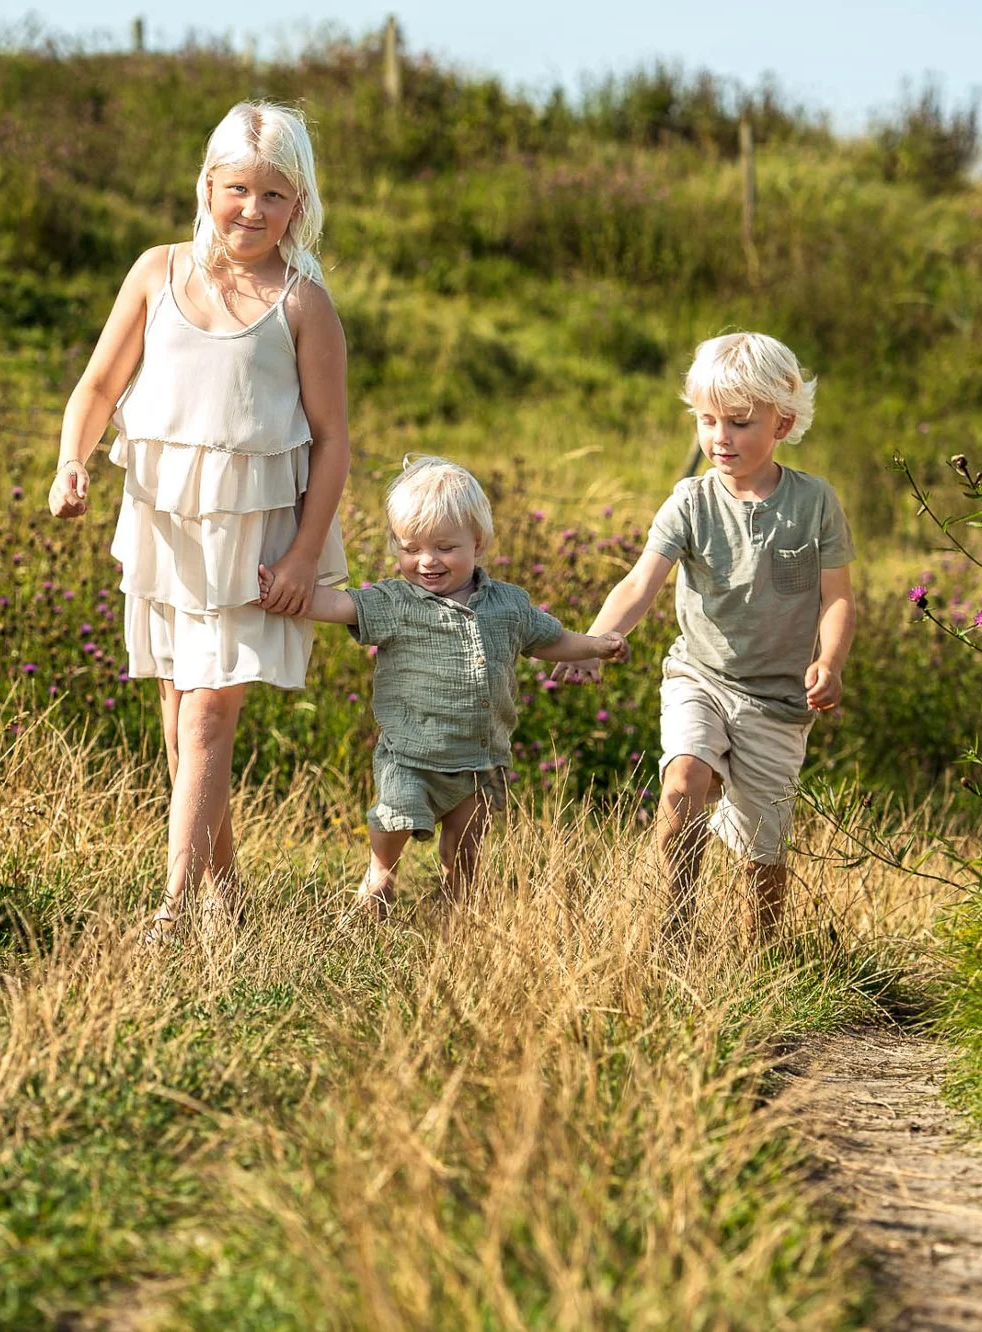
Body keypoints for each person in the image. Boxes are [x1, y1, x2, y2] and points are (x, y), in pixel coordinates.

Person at [50, 101, 350, 939]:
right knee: (182, 721)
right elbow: (97, 389)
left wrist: (301, 559)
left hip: (258, 535)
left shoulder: (303, 302)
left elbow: (332, 442)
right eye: (239, 189)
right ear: (208, 185)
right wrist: (72, 461)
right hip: (166, 528)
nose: (253, 210)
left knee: (210, 716)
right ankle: (228, 894)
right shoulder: (157, 272)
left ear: (300, 204)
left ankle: (174, 911)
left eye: (276, 196)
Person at [565, 333, 855, 943]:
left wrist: (828, 661)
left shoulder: (815, 503)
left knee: (762, 857)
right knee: (683, 783)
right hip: (700, 677)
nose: (720, 437)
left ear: (785, 421)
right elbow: (641, 582)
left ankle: (763, 959)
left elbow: (838, 599)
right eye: (707, 420)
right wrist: (596, 640)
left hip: (778, 700)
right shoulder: (689, 502)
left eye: (740, 423)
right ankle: (671, 934)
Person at [273, 457, 625, 915]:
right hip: (412, 753)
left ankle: (455, 900)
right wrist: (286, 592)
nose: (426, 561)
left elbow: (551, 639)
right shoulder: (395, 601)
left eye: (444, 547)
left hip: (480, 757)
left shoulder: (508, 605)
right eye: (411, 547)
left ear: (477, 544)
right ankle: (381, 874)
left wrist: (595, 646)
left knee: (466, 844)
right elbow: (340, 606)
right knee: (394, 816)